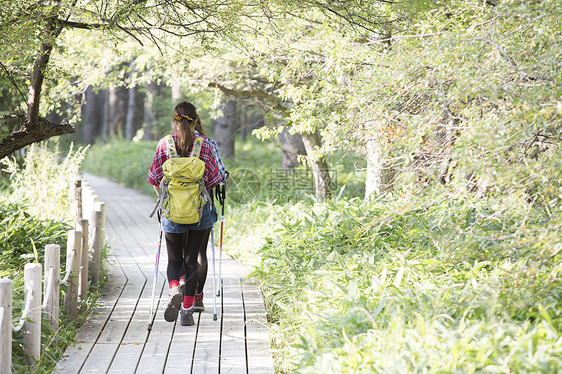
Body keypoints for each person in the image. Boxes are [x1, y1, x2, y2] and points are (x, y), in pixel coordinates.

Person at [147, 101, 226, 326]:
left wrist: (165, 199)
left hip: (172, 210)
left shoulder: (164, 144)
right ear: (195, 120)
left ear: (175, 120)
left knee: (174, 259)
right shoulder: (207, 145)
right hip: (200, 211)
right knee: (192, 260)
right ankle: (188, 312)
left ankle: (174, 290)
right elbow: (216, 178)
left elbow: (154, 179)